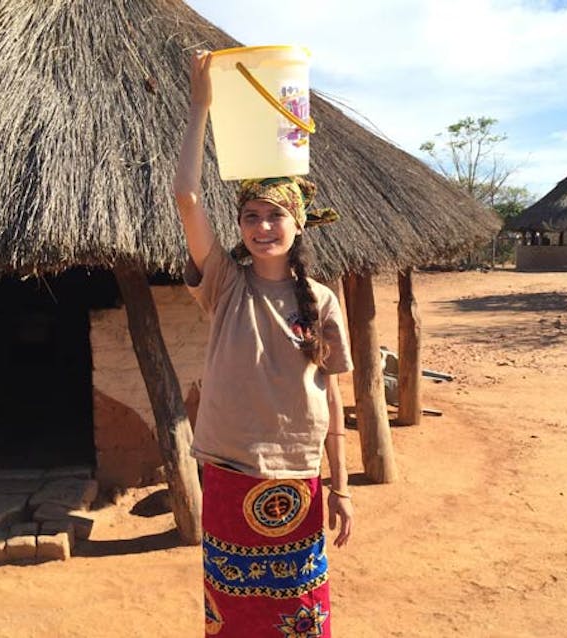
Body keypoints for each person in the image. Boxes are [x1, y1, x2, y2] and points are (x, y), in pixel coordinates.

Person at [173, 50, 354, 638]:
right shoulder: (225, 284)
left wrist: (341, 487)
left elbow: (330, 402)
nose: (262, 227)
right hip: (229, 468)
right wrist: (201, 106)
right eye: (251, 215)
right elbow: (186, 198)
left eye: (276, 214)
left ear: (299, 223)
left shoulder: (323, 301)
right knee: (234, 612)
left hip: (297, 477)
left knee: (299, 611)